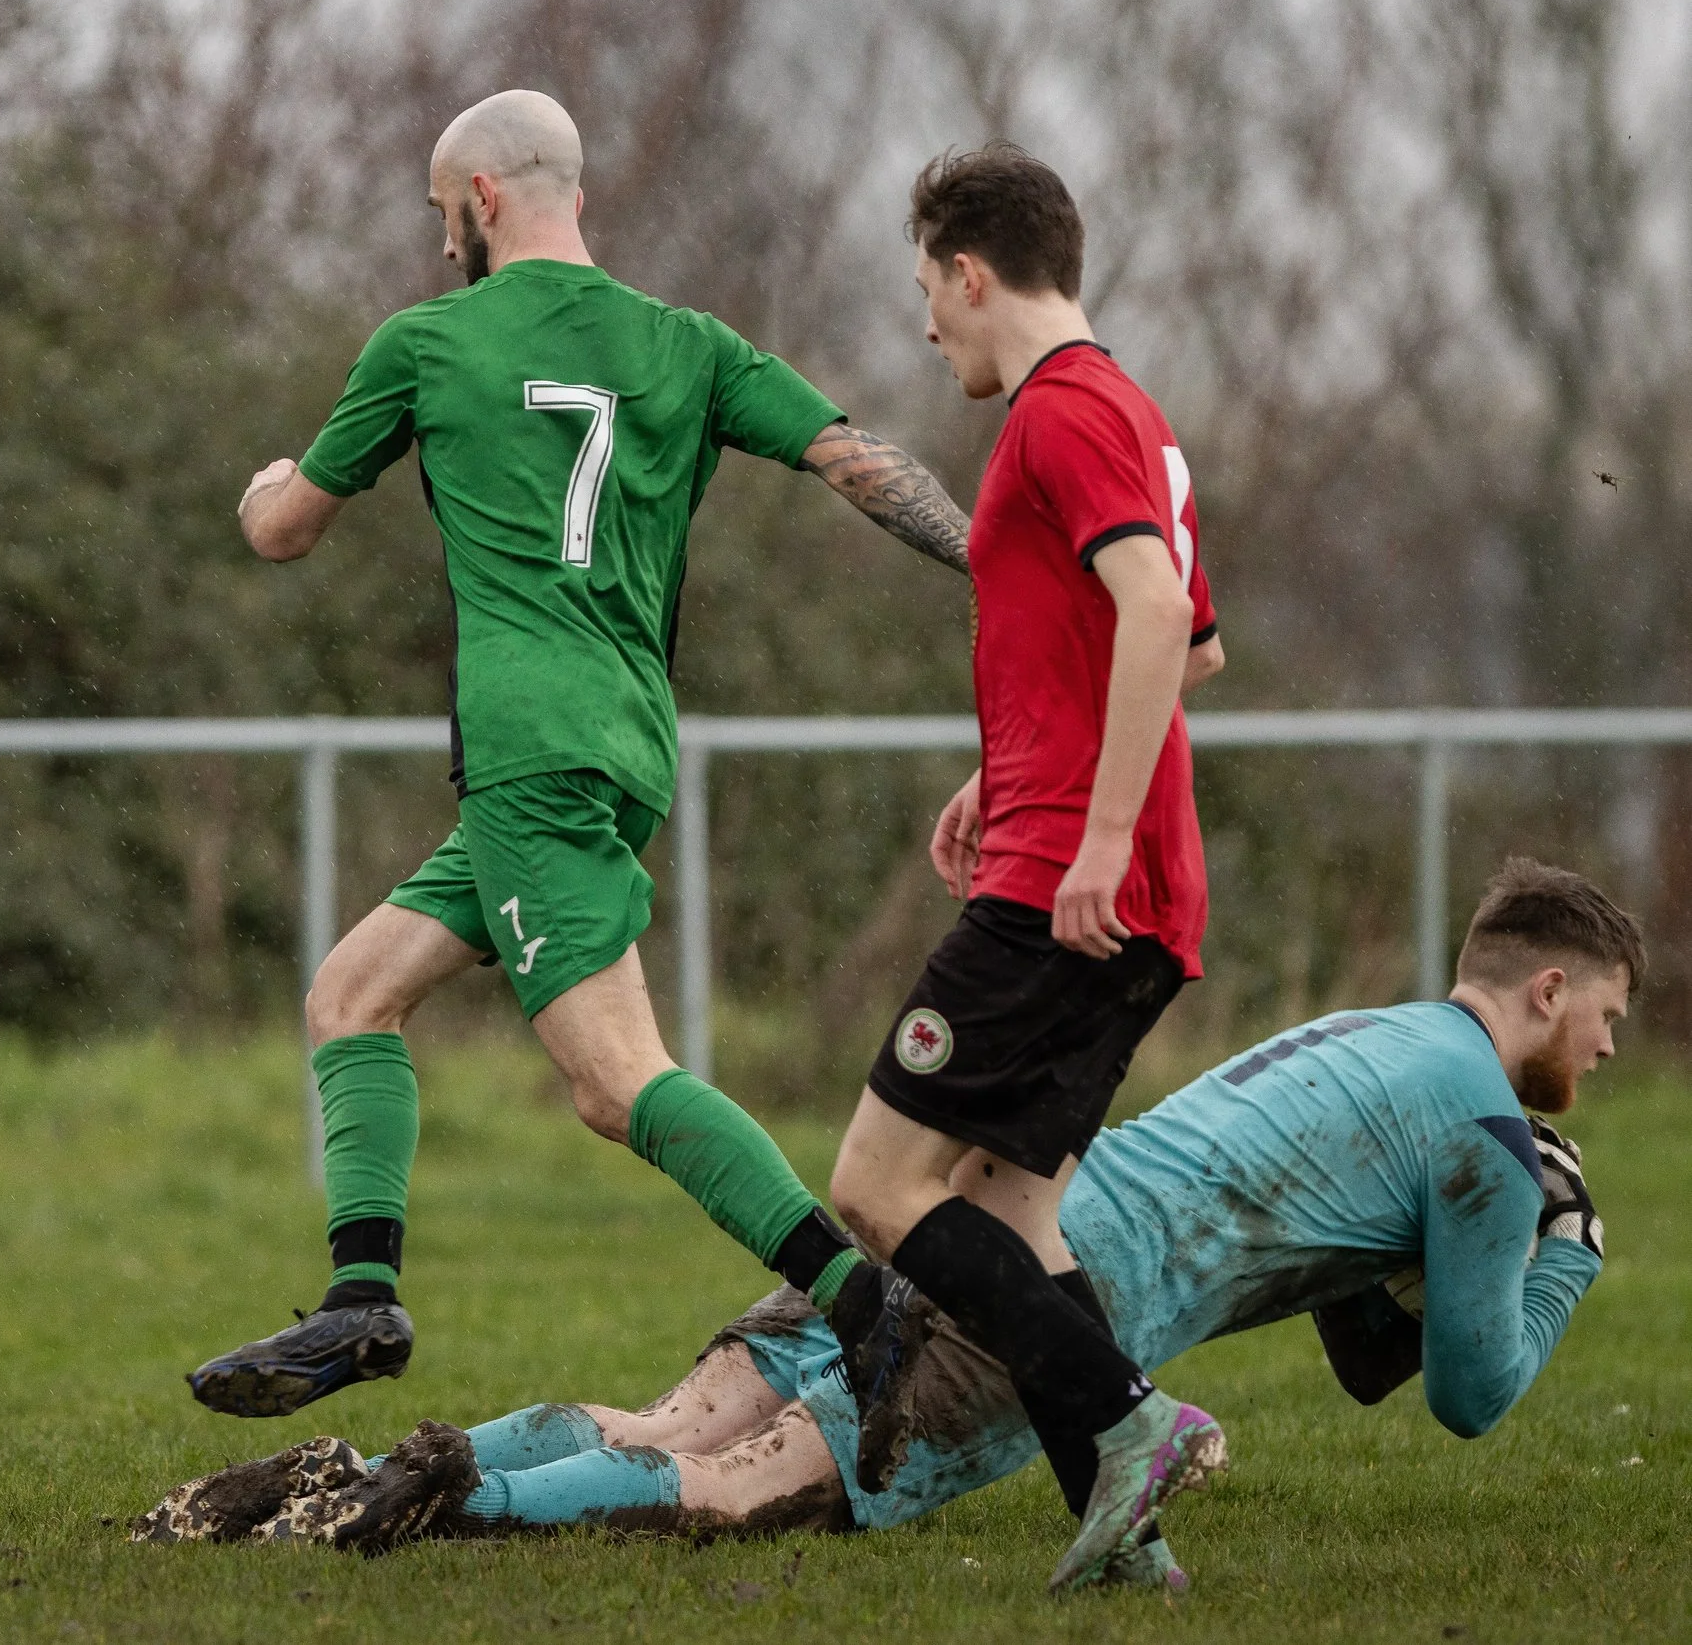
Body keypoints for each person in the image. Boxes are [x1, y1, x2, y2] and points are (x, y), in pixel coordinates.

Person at [136, 858, 1626, 1594]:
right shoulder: (1486, 1133)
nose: (1614, 1052)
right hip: (1061, 1299)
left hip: (972, 1217)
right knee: (737, 1497)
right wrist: (1565, 1260)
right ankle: (413, 1501)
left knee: (671, 1423)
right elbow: (1471, 1392)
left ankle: (363, 1465)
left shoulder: (1382, 1036)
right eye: (1613, 1017)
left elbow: (1362, 1338)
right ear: (1548, 990)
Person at [192, 91, 975, 1418]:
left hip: (527, 751)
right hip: (616, 746)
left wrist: (265, 480)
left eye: (445, 211)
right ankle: (360, 1298)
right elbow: (858, 462)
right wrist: (994, 558)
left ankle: (867, 1307)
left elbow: (284, 532)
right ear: (577, 197)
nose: (444, 236)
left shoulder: (427, 343)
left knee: (618, 1085)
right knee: (353, 994)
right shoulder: (689, 344)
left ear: (486, 199)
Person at [812, 142, 1226, 1592]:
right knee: (1009, 1211)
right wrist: (1009, 768)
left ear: (972, 273)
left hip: (1075, 886)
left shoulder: (1061, 415)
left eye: (928, 289)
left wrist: (1092, 834)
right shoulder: (1125, 411)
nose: (927, 324)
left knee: (876, 1181)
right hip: (1092, 861)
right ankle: (1126, 1546)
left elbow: (1162, 612)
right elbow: (1183, 634)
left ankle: (1132, 1423)